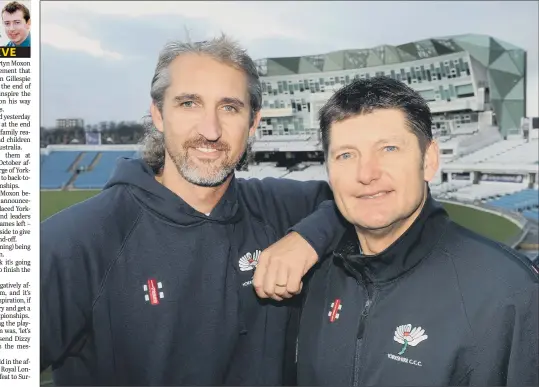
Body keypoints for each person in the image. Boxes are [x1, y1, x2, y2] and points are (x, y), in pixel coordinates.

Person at [40, 35, 344, 386]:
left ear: (253, 122)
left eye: (229, 107)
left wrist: (307, 237)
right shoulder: (75, 242)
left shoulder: (281, 208)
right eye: (189, 104)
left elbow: (367, 204)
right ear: (158, 113)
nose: (210, 131)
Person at [295, 76, 539, 386]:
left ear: (429, 160)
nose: (366, 173)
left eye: (389, 148)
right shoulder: (313, 275)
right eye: (346, 155)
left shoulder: (509, 291)